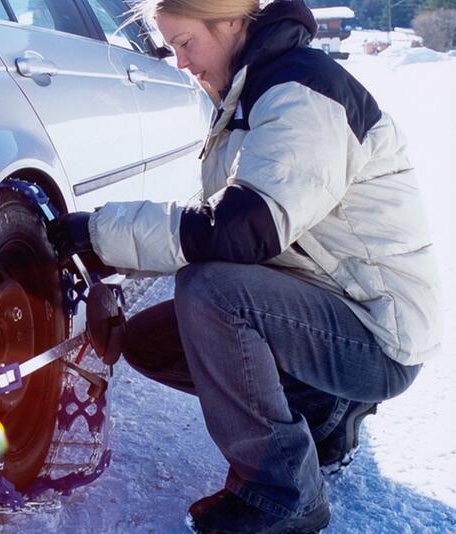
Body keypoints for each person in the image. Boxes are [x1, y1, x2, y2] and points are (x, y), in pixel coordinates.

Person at [47, 1, 441, 532]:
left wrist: (97, 233)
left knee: (211, 294)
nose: (180, 62)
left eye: (186, 43)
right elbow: (220, 230)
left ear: (231, 23)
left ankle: (282, 496)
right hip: (331, 302)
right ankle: (327, 412)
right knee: (152, 341)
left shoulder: (301, 92)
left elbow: (244, 226)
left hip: (377, 330)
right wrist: (111, 259)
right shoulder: (252, 90)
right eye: (172, 47)